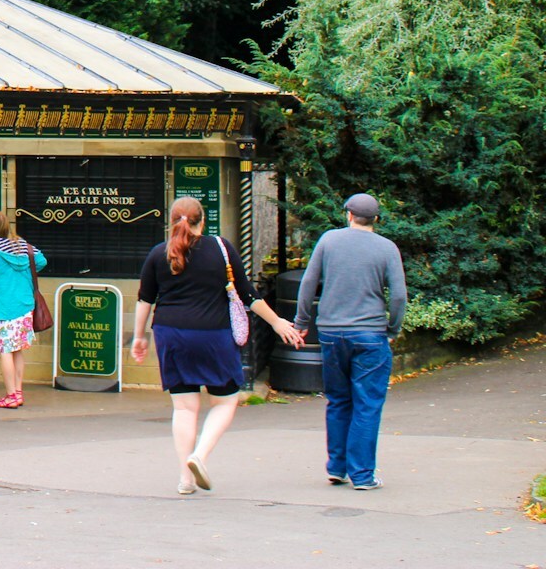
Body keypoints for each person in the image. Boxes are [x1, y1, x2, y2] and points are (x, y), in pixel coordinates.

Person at [132, 196, 305, 494]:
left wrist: (139, 337)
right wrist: (277, 322)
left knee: (184, 408)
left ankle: (185, 480)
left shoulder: (159, 253)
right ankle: (199, 455)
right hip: (213, 334)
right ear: (203, 221)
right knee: (225, 401)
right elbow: (247, 294)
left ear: (171, 221)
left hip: (170, 334)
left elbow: (145, 299)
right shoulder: (221, 248)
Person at [293, 193, 407, 491]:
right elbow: (398, 296)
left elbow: (308, 282)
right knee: (367, 404)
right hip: (370, 334)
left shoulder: (329, 240)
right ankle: (363, 475)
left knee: (338, 399)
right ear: (376, 219)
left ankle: (336, 467)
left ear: (349, 215)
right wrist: (392, 328)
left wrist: (302, 322)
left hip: (331, 333)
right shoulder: (387, 248)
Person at [0, 209, 46, 409]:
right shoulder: (24, 246)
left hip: (3, 309)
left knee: (5, 351)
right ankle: (18, 392)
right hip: (25, 306)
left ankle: (10, 395)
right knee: (17, 350)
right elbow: (42, 261)